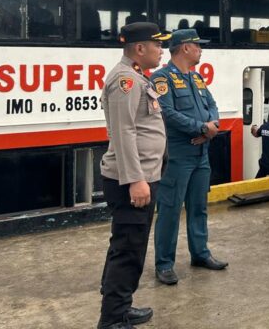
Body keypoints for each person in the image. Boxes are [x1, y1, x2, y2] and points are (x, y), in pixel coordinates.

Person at [97, 22, 170, 329]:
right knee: (128, 250)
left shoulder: (137, 76)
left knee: (130, 246)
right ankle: (112, 320)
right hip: (132, 179)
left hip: (142, 175)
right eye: (158, 45)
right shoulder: (126, 80)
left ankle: (121, 307)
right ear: (140, 48)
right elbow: (124, 132)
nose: (161, 51)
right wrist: (135, 180)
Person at [151, 29, 227, 287]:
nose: (200, 50)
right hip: (178, 154)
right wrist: (201, 128)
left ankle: (200, 254)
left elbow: (212, 106)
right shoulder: (162, 78)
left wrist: (210, 128)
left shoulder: (196, 78)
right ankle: (164, 264)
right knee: (170, 210)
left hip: (201, 152)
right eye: (197, 46)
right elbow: (166, 112)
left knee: (199, 207)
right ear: (185, 48)